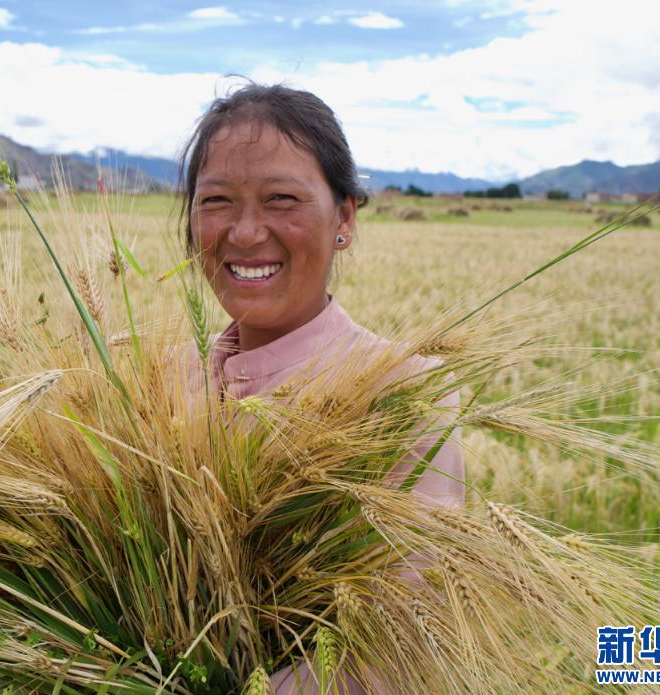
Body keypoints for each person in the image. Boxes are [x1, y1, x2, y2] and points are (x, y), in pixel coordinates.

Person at [178, 82, 464, 693]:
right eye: (217, 201)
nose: (245, 233)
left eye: (281, 199)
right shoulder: (154, 385)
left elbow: (404, 645)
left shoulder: (402, 393)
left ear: (344, 218)